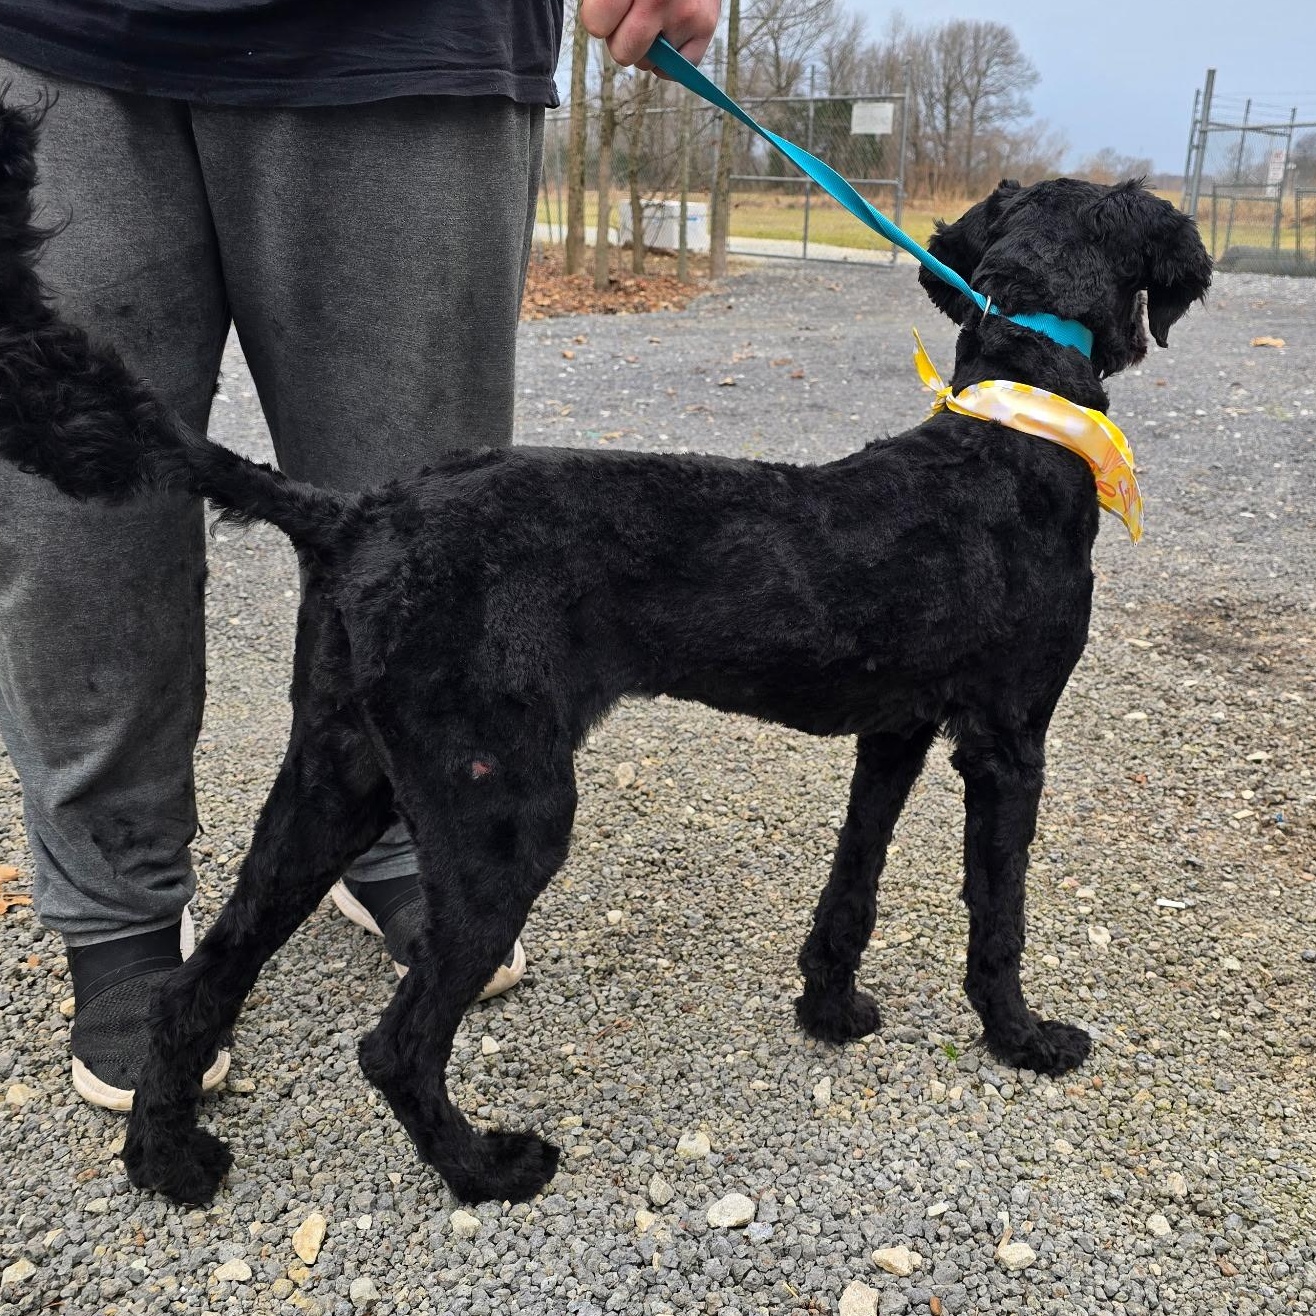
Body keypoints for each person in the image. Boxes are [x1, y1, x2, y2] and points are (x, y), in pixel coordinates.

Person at [0, 0, 719, 1111]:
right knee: (76, 525)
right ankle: (119, 908)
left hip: (414, 39)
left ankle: (388, 826)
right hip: (51, 35)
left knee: (425, 545)